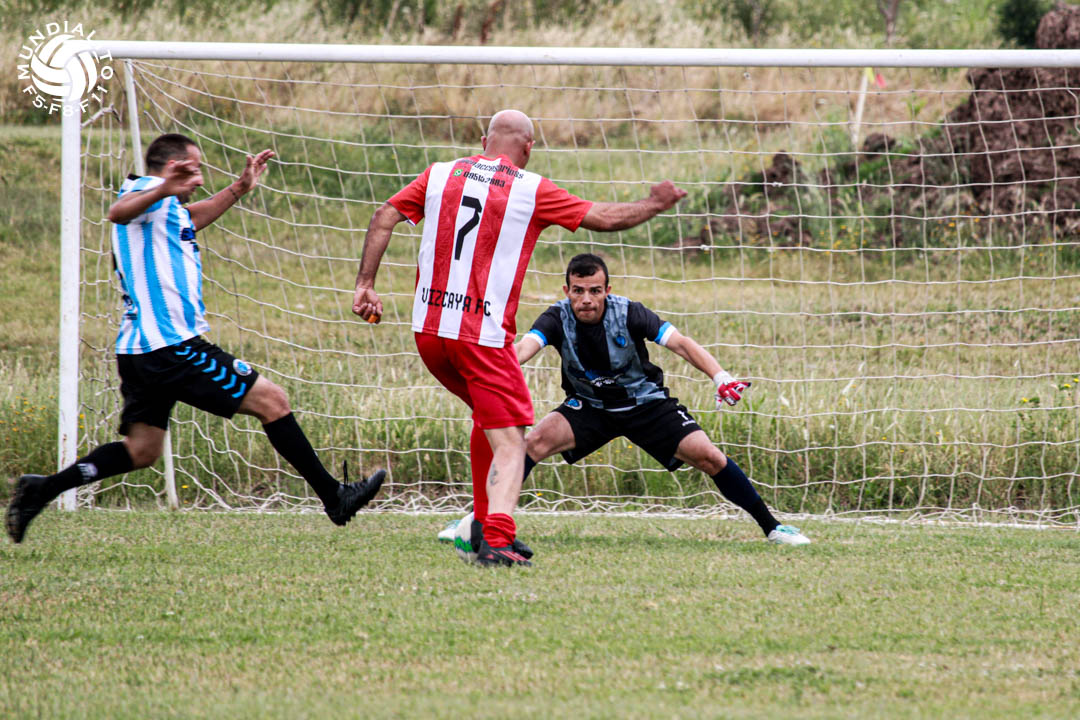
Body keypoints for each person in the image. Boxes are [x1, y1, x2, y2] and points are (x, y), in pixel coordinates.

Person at [7, 133, 384, 544]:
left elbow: (191, 218)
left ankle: (43, 488)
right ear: (171, 168)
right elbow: (117, 212)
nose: (200, 179)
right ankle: (334, 497)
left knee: (142, 450)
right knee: (273, 401)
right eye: (194, 169)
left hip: (139, 350)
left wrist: (239, 188)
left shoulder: (165, 209)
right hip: (173, 347)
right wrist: (165, 187)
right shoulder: (144, 192)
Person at [352, 109, 686, 567]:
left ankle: (480, 525)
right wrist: (654, 204)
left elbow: (383, 216)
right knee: (512, 440)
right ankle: (497, 541)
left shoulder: (439, 174)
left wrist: (365, 285)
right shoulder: (529, 187)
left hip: (429, 332)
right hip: (481, 337)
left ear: (482, 140)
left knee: (487, 421)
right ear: (528, 148)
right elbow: (603, 218)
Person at [439, 253, 811, 547]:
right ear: (567, 290)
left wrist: (720, 377)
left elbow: (681, 343)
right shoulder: (555, 317)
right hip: (589, 406)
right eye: (578, 290)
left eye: (595, 291)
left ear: (607, 289)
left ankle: (773, 527)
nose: (586, 299)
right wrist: (486, 367)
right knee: (530, 443)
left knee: (710, 457)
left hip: (645, 404)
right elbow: (524, 349)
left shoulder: (631, 312)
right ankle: (476, 520)